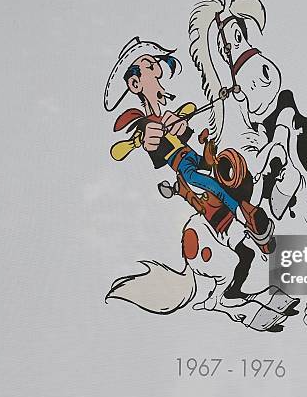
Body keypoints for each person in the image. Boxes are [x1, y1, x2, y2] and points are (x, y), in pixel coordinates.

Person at [103, 37, 274, 251]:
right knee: (209, 184)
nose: (156, 67)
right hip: (183, 167)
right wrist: (147, 140)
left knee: (227, 162)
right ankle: (243, 214)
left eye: (154, 63)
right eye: (148, 66)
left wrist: (185, 127)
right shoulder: (146, 124)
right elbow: (130, 150)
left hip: (193, 154)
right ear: (134, 84)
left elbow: (192, 121)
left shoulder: (173, 108)